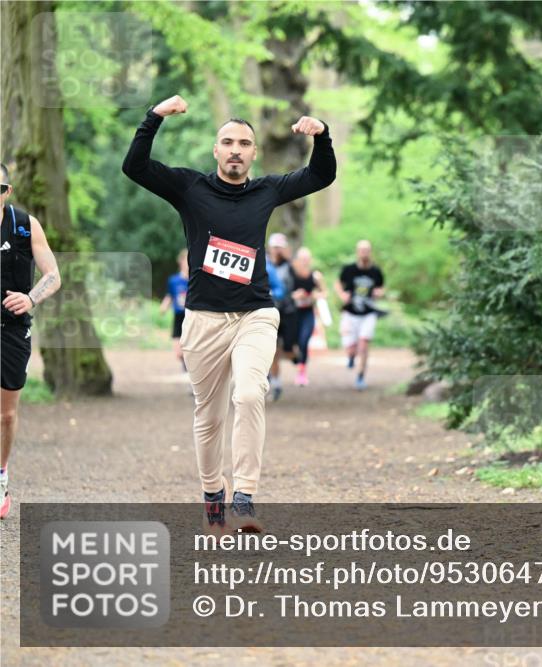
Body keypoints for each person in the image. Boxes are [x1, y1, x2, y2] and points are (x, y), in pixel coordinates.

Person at [122, 95, 336, 533]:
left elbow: (321, 174)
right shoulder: (189, 188)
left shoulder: (267, 190)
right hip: (202, 319)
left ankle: (244, 497)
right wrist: (154, 117)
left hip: (255, 314)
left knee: (250, 394)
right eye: (228, 142)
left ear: (254, 153)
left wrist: (323, 136)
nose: (236, 149)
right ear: (216, 150)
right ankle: (212, 494)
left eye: (244, 143)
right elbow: (136, 167)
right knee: (209, 416)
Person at [0, 162, 62, 520]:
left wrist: (30, 298)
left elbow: (53, 275)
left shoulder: (24, 225)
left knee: (6, 414)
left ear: (6, 192)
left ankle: (2, 475)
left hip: (11, 327)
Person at [336, 240, 384, 391]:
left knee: (364, 344)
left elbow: (381, 288)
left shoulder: (376, 271)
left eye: (367, 250)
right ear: (357, 252)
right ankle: (351, 356)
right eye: (361, 250)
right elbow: (338, 283)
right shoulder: (349, 269)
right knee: (351, 348)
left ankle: (360, 376)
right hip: (350, 312)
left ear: (370, 252)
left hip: (368, 313)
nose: (364, 253)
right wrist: (342, 294)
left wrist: (379, 293)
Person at [289, 247, 327, 387]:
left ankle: (301, 373)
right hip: (293, 313)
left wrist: (315, 295)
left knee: (304, 340)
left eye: (307, 259)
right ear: (297, 260)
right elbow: (285, 293)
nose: (304, 262)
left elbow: (324, 293)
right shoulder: (291, 275)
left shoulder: (315, 276)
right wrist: (294, 295)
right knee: (293, 343)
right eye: (302, 259)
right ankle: (296, 360)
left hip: (308, 312)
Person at [265, 233, 296, 401]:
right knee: (272, 350)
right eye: (274, 247)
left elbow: (291, 286)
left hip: (288, 312)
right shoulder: (262, 262)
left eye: (280, 247)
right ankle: (274, 383)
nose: (277, 250)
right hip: (269, 312)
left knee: (290, 351)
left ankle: (273, 378)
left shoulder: (290, 266)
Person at [159, 248, 189, 371]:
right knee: (179, 353)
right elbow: (170, 295)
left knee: (192, 349)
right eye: (186, 260)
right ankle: (186, 367)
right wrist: (164, 307)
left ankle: (190, 374)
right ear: (180, 262)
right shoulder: (174, 280)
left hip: (191, 317)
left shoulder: (195, 280)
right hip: (178, 317)